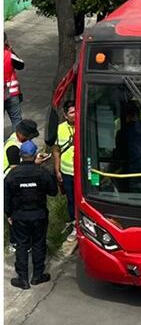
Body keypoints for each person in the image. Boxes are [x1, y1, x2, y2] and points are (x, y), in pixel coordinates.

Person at [5, 140, 58, 289]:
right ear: (35, 155)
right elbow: (53, 191)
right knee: (38, 244)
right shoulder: (42, 172)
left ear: (21, 155)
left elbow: (6, 197)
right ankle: (37, 275)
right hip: (39, 215)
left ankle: (22, 278)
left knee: (21, 245)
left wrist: (8, 214)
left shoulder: (12, 174)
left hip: (20, 216)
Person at [53, 101, 77, 241]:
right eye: (72, 112)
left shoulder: (84, 125)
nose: (75, 115)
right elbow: (56, 150)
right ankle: (75, 226)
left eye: (76, 111)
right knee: (71, 200)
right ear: (65, 115)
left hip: (85, 172)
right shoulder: (60, 129)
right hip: (67, 172)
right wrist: (57, 170)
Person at [4, 35, 25, 131]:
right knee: (17, 121)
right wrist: (11, 50)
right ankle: (16, 139)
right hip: (12, 93)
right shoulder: (9, 55)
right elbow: (21, 65)